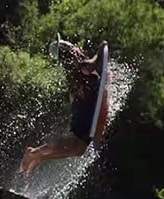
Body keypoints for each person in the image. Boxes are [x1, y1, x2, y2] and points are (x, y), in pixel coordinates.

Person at [20, 36, 109, 174]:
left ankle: (40, 156)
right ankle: (34, 152)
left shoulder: (68, 68)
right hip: (85, 108)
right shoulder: (73, 56)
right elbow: (88, 67)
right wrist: (100, 50)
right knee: (76, 145)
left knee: (78, 149)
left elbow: (73, 94)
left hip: (83, 106)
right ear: (64, 47)